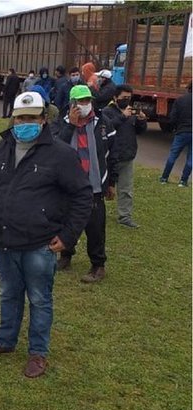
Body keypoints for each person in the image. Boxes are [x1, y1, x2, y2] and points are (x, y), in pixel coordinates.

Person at [0, 91, 92, 378]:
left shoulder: (60, 155)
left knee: (40, 299)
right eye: (20, 118)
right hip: (3, 241)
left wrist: (68, 236)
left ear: (44, 120)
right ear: (13, 119)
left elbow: (82, 196)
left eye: (32, 118)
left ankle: (37, 353)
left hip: (39, 244)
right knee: (8, 294)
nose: (25, 123)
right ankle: (5, 340)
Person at [57, 85, 118, 282]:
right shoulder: (62, 123)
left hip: (94, 185)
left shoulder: (103, 123)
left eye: (87, 100)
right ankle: (65, 255)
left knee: (95, 227)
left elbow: (112, 154)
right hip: (68, 185)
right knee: (66, 221)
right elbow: (55, 150)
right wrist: (71, 125)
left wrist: (111, 182)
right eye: (81, 101)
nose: (85, 105)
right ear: (72, 103)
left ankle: (98, 265)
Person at [103, 84, 147, 227]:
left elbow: (140, 131)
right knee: (103, 187)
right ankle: (95, 212)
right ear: (115, 97)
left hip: (127, 156)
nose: (126, 101)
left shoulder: (131, 112)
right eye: (123, 98)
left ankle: (125, 216)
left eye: (129, 98)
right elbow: (106, 127)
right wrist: (122, 116)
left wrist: (141, 120)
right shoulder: (107, 112)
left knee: (126, 189)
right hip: (110, 157)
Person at [160, 82, 192, 187]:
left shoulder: (180, 100)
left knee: (173, 155)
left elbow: (173, 117)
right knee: (191, 159)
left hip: (181, 131)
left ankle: (164, 178)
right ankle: (183, 181)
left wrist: (175, 127)